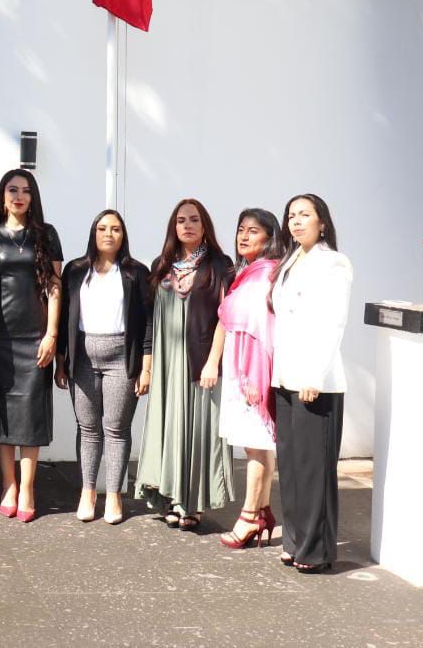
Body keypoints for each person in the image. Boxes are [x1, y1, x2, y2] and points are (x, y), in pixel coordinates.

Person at [134, 198, 235, 531]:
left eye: (194, 220)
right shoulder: (161, 265)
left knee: (197, 431)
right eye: (181, 220)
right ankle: (168, 498)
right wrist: (148, 366)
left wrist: (213, 362)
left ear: (204, 226)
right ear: (173, 227)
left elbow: (225, 317)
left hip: (199, 361)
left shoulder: (220, 264)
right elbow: (150, 321)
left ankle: (190, 504)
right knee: (167, 428)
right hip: (166, 363)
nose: (187, 225)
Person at [0, 169, 61, 523]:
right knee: (4, 414)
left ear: (33, 197)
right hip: (1, 338)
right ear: (3, 196)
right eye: (12, 190)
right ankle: (8, 484)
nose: (19, 196)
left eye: (25, 191)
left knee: (30, 415)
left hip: (35, 337)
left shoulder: (46, 235)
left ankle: (28, 487)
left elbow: (54, 286)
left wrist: (51, 334)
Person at [271, 193, 352, 573]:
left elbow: (333, 322)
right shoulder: (290, 260)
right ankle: (294, 541)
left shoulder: (333, 263)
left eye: (305, 215)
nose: (297, 221)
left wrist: (314, 374)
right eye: (291, 216)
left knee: (313, 468)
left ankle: (316, 551)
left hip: (314, 380)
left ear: (322, 222)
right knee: (290, 466)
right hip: (285, 377)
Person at [55, 209, 153, 525]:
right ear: (93, 233)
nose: (108, 234)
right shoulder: (75, 270)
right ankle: (87, 492)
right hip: (82, 357)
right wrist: (61, 362)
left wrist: (146, 367)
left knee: (116, 428)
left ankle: (113, 495)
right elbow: (64, 317)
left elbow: (148, 323)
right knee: (87, 428)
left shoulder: (136, 272)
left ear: (123, 235)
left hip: (121, 358)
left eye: (115, 229)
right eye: (102, 228)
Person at [206, 208, 283, 549]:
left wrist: (255, 375)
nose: (244, 236)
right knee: (257, 444)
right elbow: (228, 322)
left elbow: (264, 328)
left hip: (254, 370)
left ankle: (250, 516)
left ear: (270, 237)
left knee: (256, 444)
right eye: (241, 230)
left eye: (253, 230)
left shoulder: (268, 274)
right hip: (240, 367)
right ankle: (262, 510)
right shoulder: (246, 274)